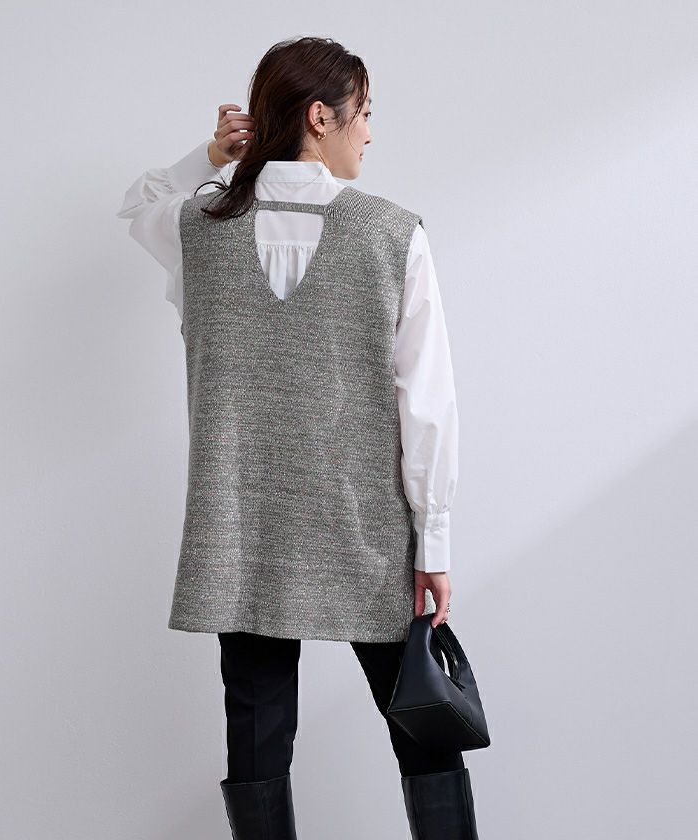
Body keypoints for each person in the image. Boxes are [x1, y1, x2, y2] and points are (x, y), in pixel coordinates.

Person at [116, 35, 478, 840]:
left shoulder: (198, 225)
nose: (370, 133)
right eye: (364, 113)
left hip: (241, 528)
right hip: (366, 528)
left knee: (255, 736)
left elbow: (139, 205)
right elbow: (428, 403)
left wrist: (210, 156)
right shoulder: (394, 234)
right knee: (426, 728)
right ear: (321, 116)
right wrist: (434, 540)